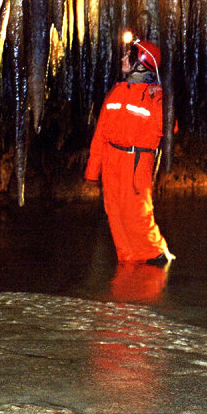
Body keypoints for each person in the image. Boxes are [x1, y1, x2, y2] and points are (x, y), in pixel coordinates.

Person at [84, 36, 176, 266]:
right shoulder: (116, 92)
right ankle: (128, 264)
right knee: (114, 214)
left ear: (142, 64)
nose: (123, 59)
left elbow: (170, 128)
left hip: (136, 161)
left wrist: (160, 100)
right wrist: (92, 171)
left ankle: (158, 256)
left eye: (129, 56)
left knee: (138, 214)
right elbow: (100, 134)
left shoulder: (156, 98)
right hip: (111, 161)